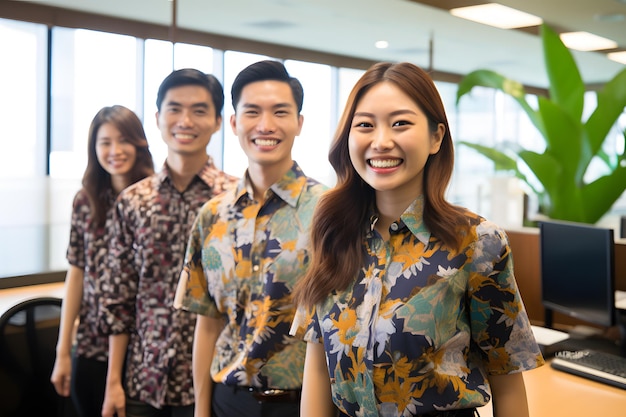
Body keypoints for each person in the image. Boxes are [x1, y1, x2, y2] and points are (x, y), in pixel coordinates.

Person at [290, 62, 545, 417]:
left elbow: (507, 377)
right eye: (364, 125)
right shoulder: (333, 232)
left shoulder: (476, 242)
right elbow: (318, 366)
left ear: (436, 137)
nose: (381, 141)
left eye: (400, 123)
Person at [174, 60, 327, 417]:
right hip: (228, 400)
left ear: (299, 123)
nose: (265, 125)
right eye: (252, 112)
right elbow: (208, 322)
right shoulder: (212, 215)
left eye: (280, 112)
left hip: (305, 401)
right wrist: (200, 408)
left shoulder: (329, 212)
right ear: (233, 123)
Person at [99, 69, 238, 417]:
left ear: (219, 121)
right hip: (143, 379)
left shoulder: (236, 199)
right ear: (158, 118)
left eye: (199, 110)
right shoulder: (133, 201)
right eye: (174, 109)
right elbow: (119, 298)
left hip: (214, 381)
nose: (185, 121)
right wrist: (113, 381)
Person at [50, 105, 154, 417]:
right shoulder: (86, 199)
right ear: (93, 148)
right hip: (91, 344)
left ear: (139, 143)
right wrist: (63, 350)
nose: (114, 151)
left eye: (123, 140)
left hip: (143, 347)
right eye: (104, 142)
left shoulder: (155, 200)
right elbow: (77, 275)